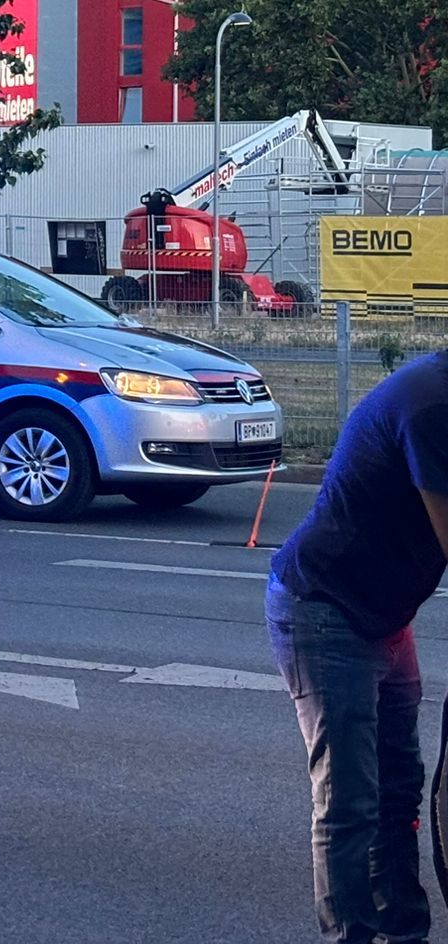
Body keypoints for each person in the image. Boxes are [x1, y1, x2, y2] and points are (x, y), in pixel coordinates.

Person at [267, 350, 448, 944]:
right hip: (326, 609)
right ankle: (350, 935)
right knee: (351, 801)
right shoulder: (432, 406)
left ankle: (404, 931)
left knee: (399, 790)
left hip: (386, 613)